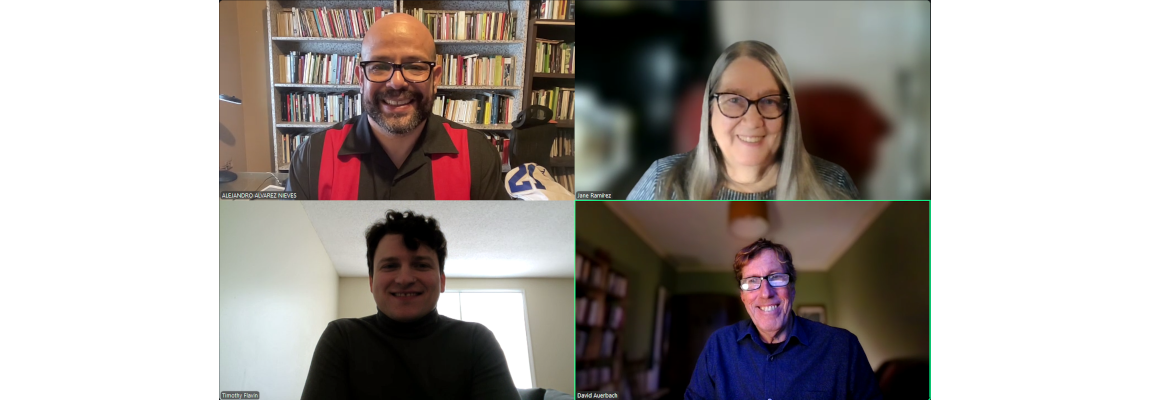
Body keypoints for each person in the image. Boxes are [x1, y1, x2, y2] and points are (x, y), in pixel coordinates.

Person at [288, 13, 510, 200]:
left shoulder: (477, 155)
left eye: (415, 66)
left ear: (436, 79)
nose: (396, 82)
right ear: (361, 79)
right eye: (379, 67)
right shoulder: (312, 157)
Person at [300, 211, 519, 399]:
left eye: (421, 265)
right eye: (390, 266)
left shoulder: (477, 340)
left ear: (442, 281)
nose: (404, 278)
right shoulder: (341, 338)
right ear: (371, 281)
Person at [628, 40, 860, 200]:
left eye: (769, 101)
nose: (752, 120)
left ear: (788, 113)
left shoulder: (834, 183)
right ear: (709, 110)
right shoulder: (662, 180)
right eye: (734, 100)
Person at [685, 239, 882, 400]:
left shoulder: (843, 348)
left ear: (792, 290)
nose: (765, 293)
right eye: (752, 281)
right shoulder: (718, 345)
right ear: (743, 297)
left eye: (776, 278)